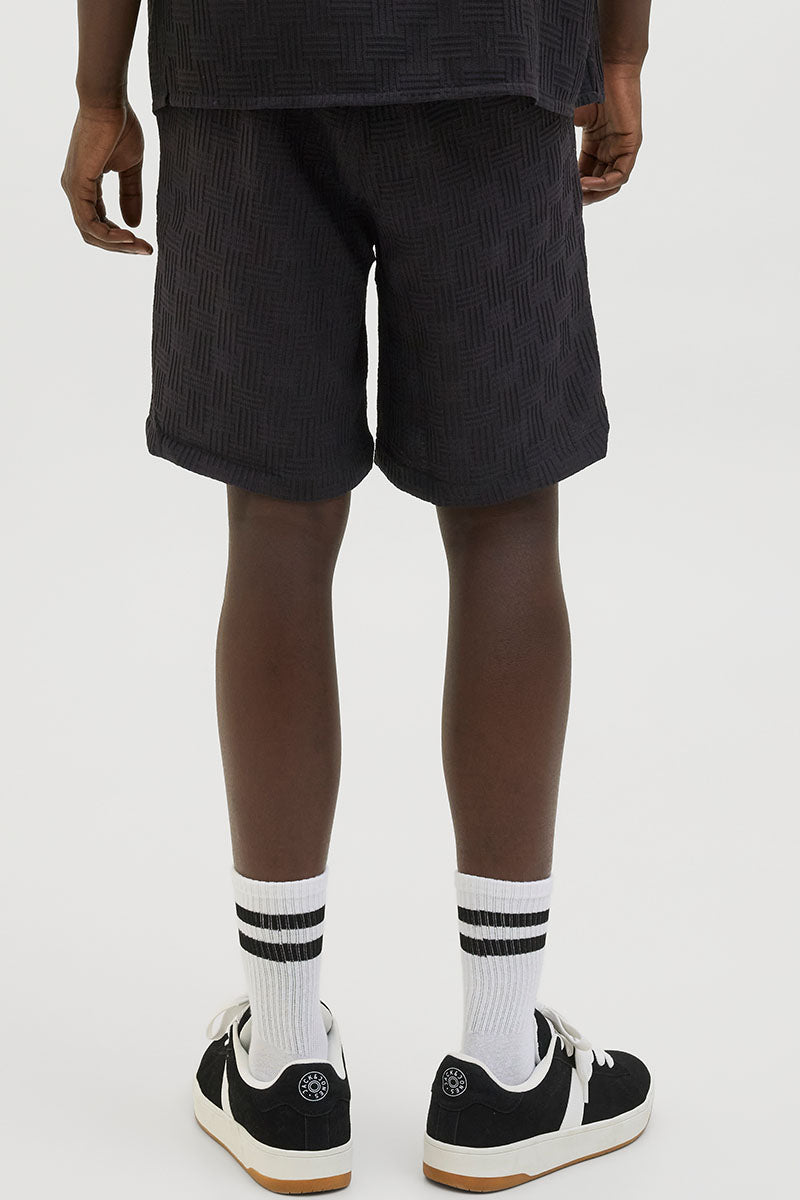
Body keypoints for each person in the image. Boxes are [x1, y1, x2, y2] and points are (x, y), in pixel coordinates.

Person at [62, 1, 653, 1192]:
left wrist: (97, 89)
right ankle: (501, 1066)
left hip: (243, 59)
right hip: (490, 54)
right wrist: (620, 52)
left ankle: (283, 1063)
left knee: (275, 526)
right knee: (503, 519)